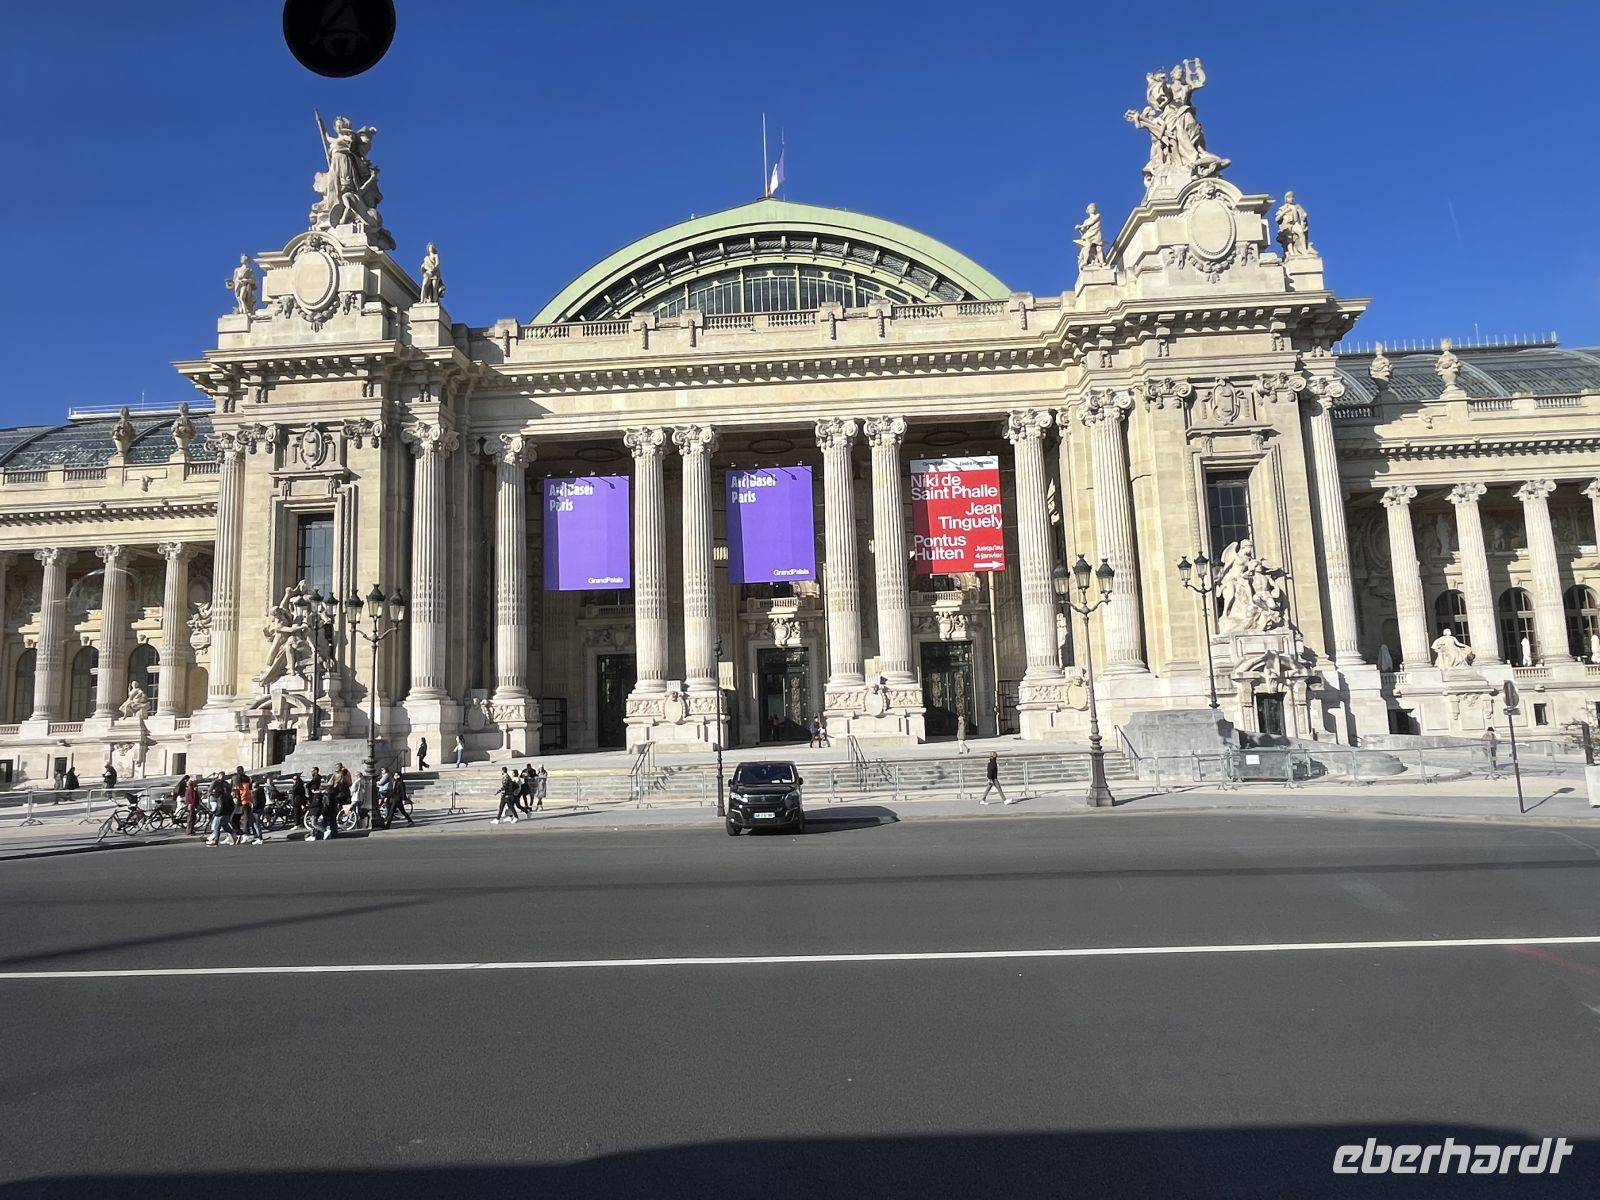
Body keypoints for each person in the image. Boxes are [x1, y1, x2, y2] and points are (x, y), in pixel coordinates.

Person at [206, 772, 238, 846]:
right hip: (226, 813)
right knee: (225, 826)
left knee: (217, 826)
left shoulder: (221, 798)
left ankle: (215, 841)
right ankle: (234, 835)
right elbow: (232, 807)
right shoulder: (228, 797)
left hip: (221, 813)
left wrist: (216, 813)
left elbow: (220, 807)